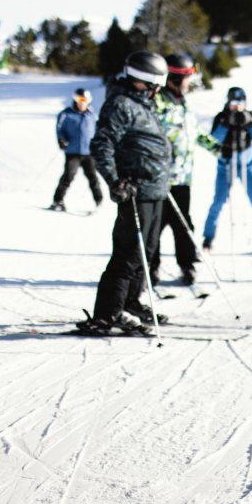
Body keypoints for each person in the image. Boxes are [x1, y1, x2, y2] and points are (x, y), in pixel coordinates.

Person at [77, 51, 172, 335]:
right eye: (157, 84)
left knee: (147, 252)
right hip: (135, 191)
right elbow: (102, 145)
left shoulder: (144, 105)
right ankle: (107, 313)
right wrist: (115, 181)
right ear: (146, 81)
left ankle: (131, 303)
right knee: (128, 253)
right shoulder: (120, 105)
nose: (159, 90)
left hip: (155, 189)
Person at [151, 54, 210, 285]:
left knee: (184, 225)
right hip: (161, 179)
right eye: (187, 78)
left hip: (183, 179)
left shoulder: (182, 103)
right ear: (175, 78)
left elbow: (195, 134)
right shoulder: (158, 103)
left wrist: (220, 149)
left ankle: (187, 265)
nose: (189, 83)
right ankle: (151, 268)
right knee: (155, 226)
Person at [201, 86, 252, 260]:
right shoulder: (221, 117)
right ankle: (207, 240)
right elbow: (213, 140)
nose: (237, 106)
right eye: (234, 102)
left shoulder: (251, 116)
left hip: (248, 165)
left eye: (241, 102)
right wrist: (226, 124)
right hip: (225, 165)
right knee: (217, 202)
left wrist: (250, 124)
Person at [49, 88, 103, 210]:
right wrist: (61, 140)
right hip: (73, 152)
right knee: (68, 176)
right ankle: (58, 201)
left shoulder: (91, 115)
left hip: (88, 152)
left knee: (93, 177)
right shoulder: (66, 114)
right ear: (75, 100)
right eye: (79, 100)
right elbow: (59, 130)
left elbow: (97, 131)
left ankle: (99, 201)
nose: (82, 103)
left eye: (85, 100)